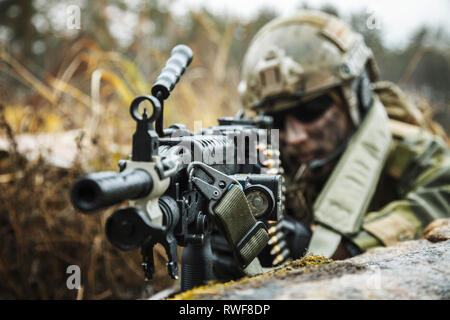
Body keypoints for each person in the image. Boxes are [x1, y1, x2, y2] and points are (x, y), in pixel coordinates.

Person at [212, 10, 450, 278]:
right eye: (276, 119)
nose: (294, 136)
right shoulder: (268, 158)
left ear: (353, 99)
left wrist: (346, 247)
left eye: (311, 110)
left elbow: (440, 195)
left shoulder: (411, 150)